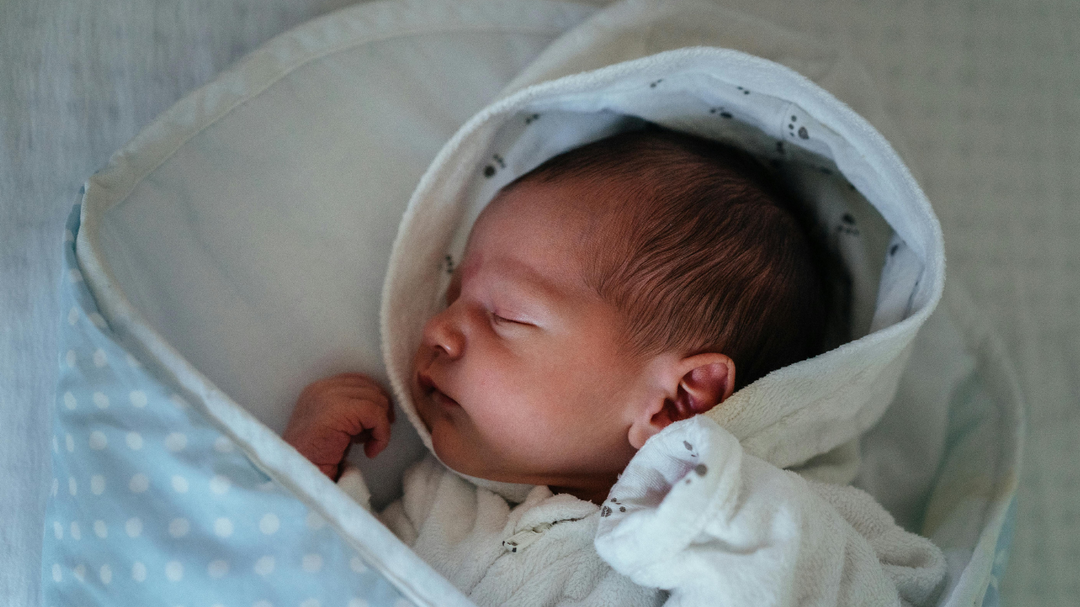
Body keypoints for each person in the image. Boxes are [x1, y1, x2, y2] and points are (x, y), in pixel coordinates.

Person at [283, 128, 946, 606]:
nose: (437, 328)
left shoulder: (777, 523)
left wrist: (709, 511)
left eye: (505, 315)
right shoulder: (442, 507)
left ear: (678, 401)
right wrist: (301, 479)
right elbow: (306, 581)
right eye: (455, 295)